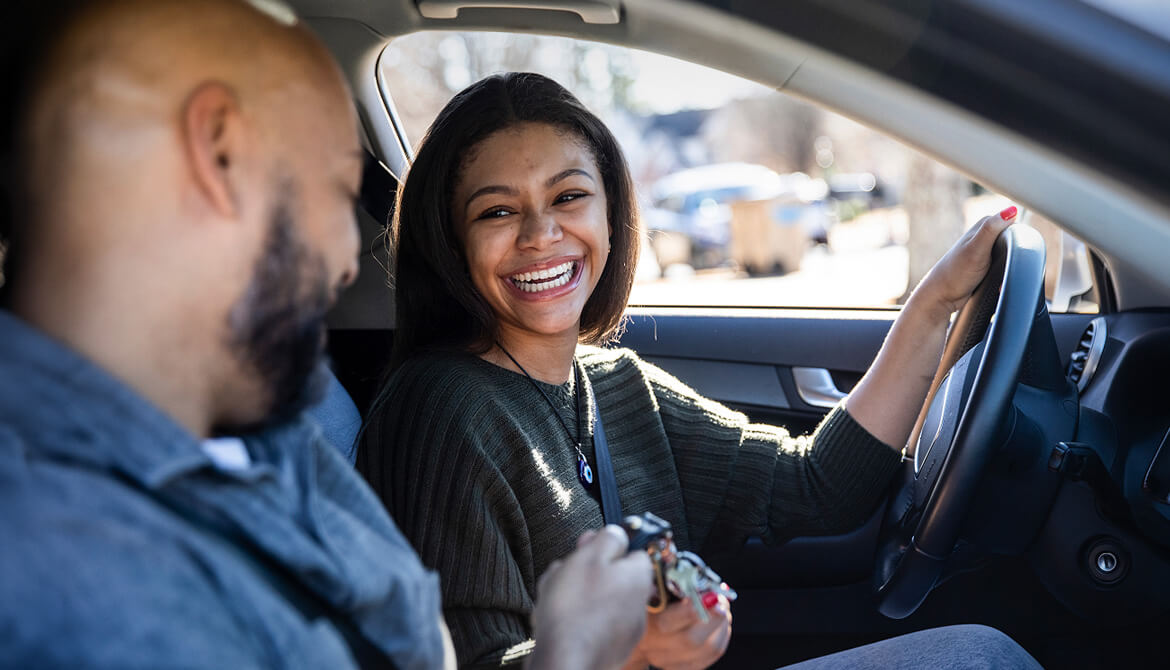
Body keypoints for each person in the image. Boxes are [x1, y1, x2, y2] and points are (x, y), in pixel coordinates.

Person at [0, 2, 654, 668]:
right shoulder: (62, 575)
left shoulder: (267, 419)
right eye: (340, 189)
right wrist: (573, 653)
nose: (349, 260)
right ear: (220, 151)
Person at [357, 72, 1042, 669]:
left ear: (612, 212)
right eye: (498, 211)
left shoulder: (617, 387)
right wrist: (636, 647)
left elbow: (814, 485)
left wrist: (933, 306)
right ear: (452, 243)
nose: (541, 235)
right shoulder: (441, 412)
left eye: (569, 197)